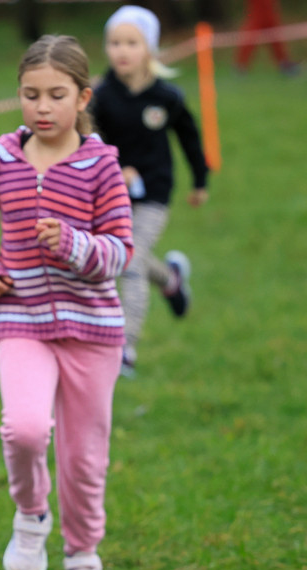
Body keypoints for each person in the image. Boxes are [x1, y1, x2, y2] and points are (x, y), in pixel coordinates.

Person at [0, 35, 133, 570]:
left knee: (83, 458)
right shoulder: (3, 157)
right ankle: (31, 515)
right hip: (20, 319)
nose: (42, 107)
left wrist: (74, 244)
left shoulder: (102, 166)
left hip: (93, 330)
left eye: (56, 95)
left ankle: (83, 552)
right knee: (25, 429)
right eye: (31, 95)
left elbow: (120, 252)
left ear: (82, 97)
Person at [92, 5, 209, 376]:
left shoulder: (167, 97)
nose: (121, 51)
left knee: (128, 262)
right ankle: (171, 280)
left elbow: (189, 137)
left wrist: (200, 180)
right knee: (128, 257)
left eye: (131, 42)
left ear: (150, 49)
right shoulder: (101, 95)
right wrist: (114, 167)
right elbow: (91, 141)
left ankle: (125, 347)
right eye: (114, 42)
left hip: (155, 194)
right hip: (112, 195)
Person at [234, 0, 300, 75]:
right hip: (259, 12)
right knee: (251, 36)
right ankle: (240, 65)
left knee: (276, 37)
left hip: (268, 12)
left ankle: (284, 63)